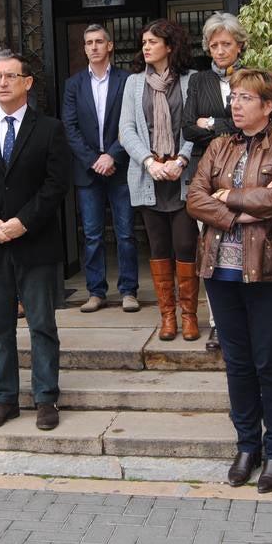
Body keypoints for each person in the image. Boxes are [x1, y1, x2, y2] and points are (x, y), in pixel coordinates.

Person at [187, 68, 272, 493]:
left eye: (245, 98)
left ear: (268, 105)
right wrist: (240, 212)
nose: (235, 104)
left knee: (270, 362)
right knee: (236, 363)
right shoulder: (218, 145)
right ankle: (246, 446)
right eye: (233, 96)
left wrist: (227, 198)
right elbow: (194, 198)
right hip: (220, 270)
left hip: (270, 270)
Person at [0, 50, 72, 431]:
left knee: (41, 324)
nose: (2, 83)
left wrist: (23, 222)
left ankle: (45, 397)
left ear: (27, 83)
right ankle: (4, 397)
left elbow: (56, 185)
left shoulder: (50, 128)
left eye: (10, 76)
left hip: (34, 241)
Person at [119, 19, 199, 342]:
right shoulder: (134, 84)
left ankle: (189, 316)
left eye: (152, 41)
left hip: (182, 176)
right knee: (158, 247)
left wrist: (182, 159)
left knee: (185, 244)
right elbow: (126, 130)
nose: (146, 47)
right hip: (148, 176)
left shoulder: (193, 81)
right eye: (144, 42)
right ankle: (168, 317)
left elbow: (198, 126)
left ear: (170, 45)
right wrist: (149, 161)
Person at [183, 11, 248, 352]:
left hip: (246, 170)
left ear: (240, 45)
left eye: (226, 44)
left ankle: (245, 316)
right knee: (210, 247)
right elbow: (188, 128)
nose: (219, 51)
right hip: (207, 173)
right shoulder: (198, 82)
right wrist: (224, 125)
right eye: (214, 45)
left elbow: (250, 125)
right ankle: (218, 323)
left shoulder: (251, 78)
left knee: (242, 245)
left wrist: (213, 123)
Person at [61, 25, 137, 314]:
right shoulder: (74, 84)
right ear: (84, 49)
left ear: (110, 46)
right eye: (88, 43)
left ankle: (128, 290)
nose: (93, 47)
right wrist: (94, 159)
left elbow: (132, 122)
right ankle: (96, 292)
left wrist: (112, 156)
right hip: (87, 170)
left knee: (126, 232)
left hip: (120, 167)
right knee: (92, 234)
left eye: (99, 42)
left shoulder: (127, 81)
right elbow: (70, 127)